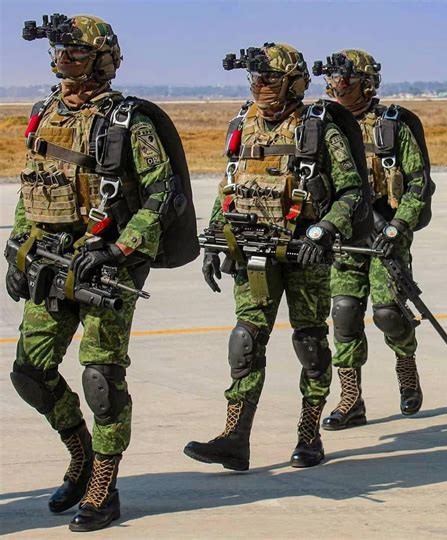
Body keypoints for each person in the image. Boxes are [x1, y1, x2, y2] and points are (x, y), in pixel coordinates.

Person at [6, 13, 197, 532]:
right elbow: (33, 185)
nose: (64, 61)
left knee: (101, 380)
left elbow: (164, 195)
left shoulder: (127, 121)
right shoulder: (45, 111)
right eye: (59, 53)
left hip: (104, 265)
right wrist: (18, 245)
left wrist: (120, 249)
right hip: (50, 262)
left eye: (76, 53)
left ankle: (103, 486)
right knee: (30, 374)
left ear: (103, 60)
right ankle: (81, 452)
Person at [184, 42, 367, 471]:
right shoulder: (242, 123)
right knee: (245, 341)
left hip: (305, 253)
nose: (260, 85)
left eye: (269, 78)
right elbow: (230, 185)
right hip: (251, 252)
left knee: (310, 344)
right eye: (256, 78)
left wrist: (322, 231)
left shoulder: (319, 127)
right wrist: (213, 241)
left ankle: (309, 433)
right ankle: (235, 438)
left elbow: (352, 191)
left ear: (293, 83)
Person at [314, 49, 427, 431]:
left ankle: (406, 369)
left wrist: (398, 228)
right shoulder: (321, 125)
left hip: (386, 237)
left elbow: (417, 185)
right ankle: (351, 399)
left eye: (347, 79)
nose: (338, 85)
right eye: (333, 79)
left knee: (388, 313)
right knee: (344, 314)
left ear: (367, 82)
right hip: (343, 239)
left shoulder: (392, 126)